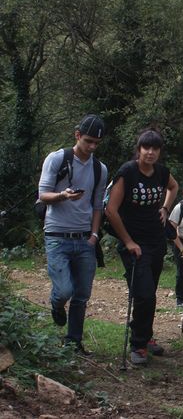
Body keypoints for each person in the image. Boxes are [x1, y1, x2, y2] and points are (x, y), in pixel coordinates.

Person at [105, 129, 178, 365]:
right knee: (144, 294)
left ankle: (146, 337)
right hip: (133, 243)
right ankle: (138, 344)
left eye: (155, 148)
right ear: (139, 149)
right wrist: (127, 241)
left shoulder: (161, 172)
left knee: (149, 294)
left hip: (155, 240)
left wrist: (165, 208)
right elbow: (111, 210)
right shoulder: (128, 172)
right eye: (146, 148)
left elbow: (173, 187)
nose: (150, 152)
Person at [38, 114, 108, 355]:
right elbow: (43, 194)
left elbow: (98, 205)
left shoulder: (100, 169)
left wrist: (94, 235)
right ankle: (57, 304)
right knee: (65, 291)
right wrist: (63, 196)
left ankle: (73, 342)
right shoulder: (58, 158)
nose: (91, 147)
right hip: (57, 235)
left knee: (81, 295)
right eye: (88, 141)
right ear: (77, 135)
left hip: (84, 238)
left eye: (96, 143)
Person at [169, 179, 183, 308]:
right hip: (180, 241)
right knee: (181, 271)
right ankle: (180, 298)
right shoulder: (180, 207)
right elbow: (172, 230)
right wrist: (182, 248)